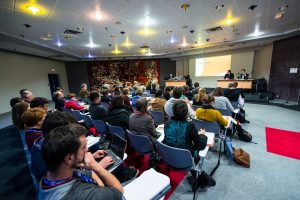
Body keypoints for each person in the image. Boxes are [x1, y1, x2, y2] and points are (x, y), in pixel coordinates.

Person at [38, 124, 123, 200]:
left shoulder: (55, 174)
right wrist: (95, 166)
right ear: (69, 158)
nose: (87, 149)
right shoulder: (83, 195)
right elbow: (119, 191)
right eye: (83, 147)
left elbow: (90, 175)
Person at [30, 112, 114, 181]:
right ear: (61, 133)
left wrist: (91, 157)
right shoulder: (47, 161)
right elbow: (76, 180)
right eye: (72, 129)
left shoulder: (42, 145)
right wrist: (99, 167)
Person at [163, 101, 215, 186]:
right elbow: (200, 146)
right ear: (186, 112)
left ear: (173, 111)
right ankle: (198, 174)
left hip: (170, 157)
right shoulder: (189, 126)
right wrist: (202, 135)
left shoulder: (167, 123)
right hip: (187, 160)